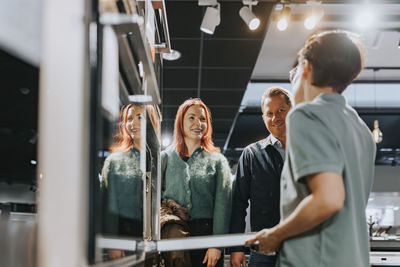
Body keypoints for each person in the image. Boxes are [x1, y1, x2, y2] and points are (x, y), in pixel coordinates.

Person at [246, 30, 376, 267]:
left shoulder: (305, 115)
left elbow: (328, 199)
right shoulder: (360, 128)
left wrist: (275, 235)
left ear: (305, 68)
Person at [161, 98, 232, 267]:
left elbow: (223, 205)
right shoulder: (165, 157)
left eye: (202, 119)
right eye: (191, 117)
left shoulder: (217, 161)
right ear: (181, 122)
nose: (197, 123)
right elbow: (154, 199)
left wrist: (216, 244)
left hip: (206, 237)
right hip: (173, 235)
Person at [230, 87, 293, 267]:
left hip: (303, 250)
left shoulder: (308, 150)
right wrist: (237, 248)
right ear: (263, 118)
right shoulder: (251, 155)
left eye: (281, 110)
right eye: (269, 113)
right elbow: (238, 203)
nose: (275, 117)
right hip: (264, 253)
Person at [101, 104, 144, 260]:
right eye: (129, 119)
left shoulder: (161, 160)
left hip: (153, 240)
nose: (133, 123)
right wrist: (113, 242)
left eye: (140, 117)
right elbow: (108, 204)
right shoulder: (115, 161)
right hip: (124, 238)